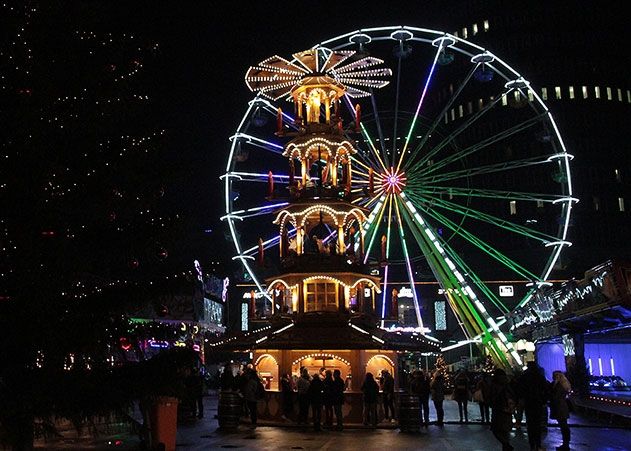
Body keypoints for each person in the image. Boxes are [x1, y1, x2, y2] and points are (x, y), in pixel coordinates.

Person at [518, 361, 551, 451]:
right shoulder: (539, 376)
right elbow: (546, 389)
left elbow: (519, 389)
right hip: (538, 402)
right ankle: (538, 444)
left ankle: (532, 445)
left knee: (530, 425)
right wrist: (543, 400)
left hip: (529, 402)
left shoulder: (524, 377)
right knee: (537, 424)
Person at [489, 368, 516, 451]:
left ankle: (506, 445)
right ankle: (506, 446)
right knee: (505, 431)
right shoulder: (507, 384)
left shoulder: (495, 385)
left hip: (498, 410)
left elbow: (492, 397)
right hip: (507, 410)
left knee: (496, 430)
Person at [550, 370, 572, 451]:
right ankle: (566, 443)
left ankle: (565, 444)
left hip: (560, 407)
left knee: (563, 426)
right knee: (564, 425)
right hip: (562, 407)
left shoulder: (559, 385)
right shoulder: (563, 385)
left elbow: (556, 396)